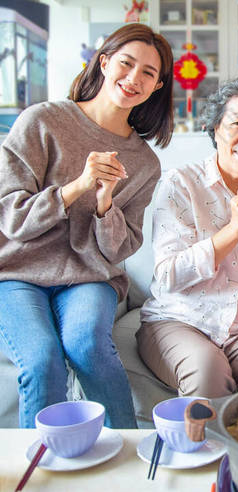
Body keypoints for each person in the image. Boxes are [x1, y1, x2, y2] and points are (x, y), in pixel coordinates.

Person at [0, 23, 174, 428]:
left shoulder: (145, 162)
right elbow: (11, 216)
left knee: (88, 345)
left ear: (157, 86)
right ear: (104, 62)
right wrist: (77, 185)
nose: (134, 78)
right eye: (126, 64)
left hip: (90, 278)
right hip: (18, 272)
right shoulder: (42, 121)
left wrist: (104, 202)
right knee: (42, 362)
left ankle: (128, 463)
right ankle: (40, 473)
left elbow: (118, 250)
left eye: (148, 73)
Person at [137, 76, 238, 397]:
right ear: (214, 128)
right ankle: (204, 447)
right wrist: (234, 231)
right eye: (237, 123)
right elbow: (168, 277)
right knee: (207, 367)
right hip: (178, 320)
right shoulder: (180, 184)